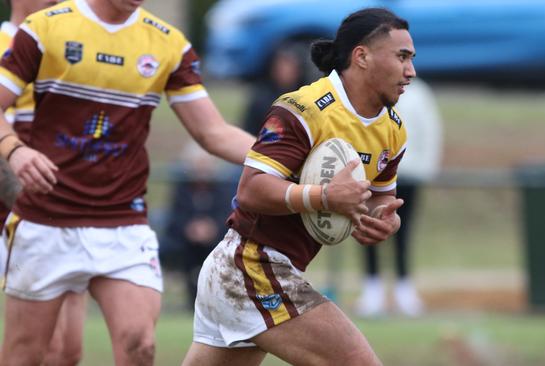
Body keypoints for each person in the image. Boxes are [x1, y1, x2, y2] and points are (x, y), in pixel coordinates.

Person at [0, 0, 255, 365]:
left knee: (139, 342)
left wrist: (282, 161)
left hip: (123, 221)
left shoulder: (168, 44)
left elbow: (212, 132)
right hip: (46, 221)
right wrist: (15, 150)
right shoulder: (45, 28)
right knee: (31, 356)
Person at [183, 7, 415, 365]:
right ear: (362, 56)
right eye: (401, 57)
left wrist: (383, 220)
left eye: (411, 59)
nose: (410, 71)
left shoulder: (393, 129)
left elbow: (380, 197)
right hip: (251, 267)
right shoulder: (305, 109)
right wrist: (323, 197)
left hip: (256, 271)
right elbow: (251, 189)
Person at [0, 1, 87, 365]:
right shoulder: (6, 41)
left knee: (68, 350)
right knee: (41, 346)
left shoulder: (79, 42)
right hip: (13, 191)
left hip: (63, 196)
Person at [356, 77, 443, 317]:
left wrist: (425, 169)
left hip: (408, 176)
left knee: (403, 231)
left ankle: (404, 288)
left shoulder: (419, 93)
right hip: (373, 176)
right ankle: (372, 289)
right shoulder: (372, 90)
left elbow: (429, 131)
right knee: (368, 229)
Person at [163, 141, 238, 310]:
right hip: (186, 240)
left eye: (206, 165)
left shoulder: (223, 187)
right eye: (198, 165)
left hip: (217, 238)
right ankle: (193, 301)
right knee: (183, 252)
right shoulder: (182, 188)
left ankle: (221, 300)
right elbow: (175, 217)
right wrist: (190, 229)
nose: (202, 170)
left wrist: (213, 228)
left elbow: (228, 215)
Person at [242, 48, 305, 136]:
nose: (284, 72)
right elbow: (249, 130)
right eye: (280, 68)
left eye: (289, 68)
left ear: (297, 71)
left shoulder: (306, 98)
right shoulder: (261, 100)